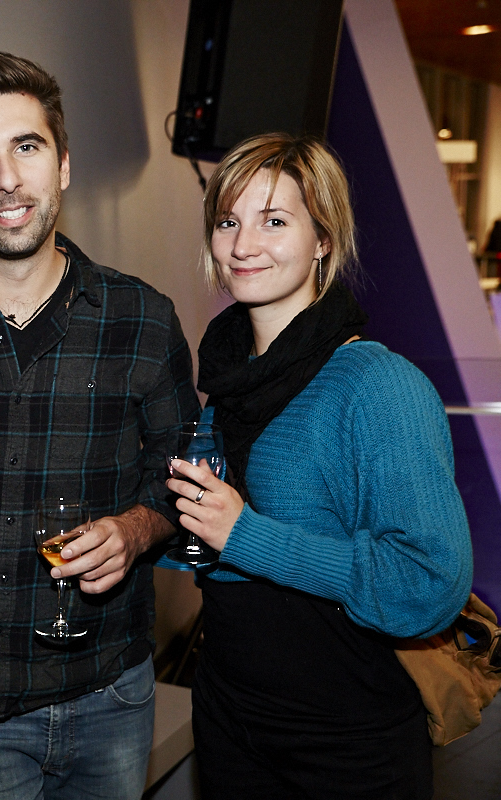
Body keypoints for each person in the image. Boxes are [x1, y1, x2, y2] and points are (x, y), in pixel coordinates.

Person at [0, 51, 199, 799]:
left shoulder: (143, 320)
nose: (6, 179)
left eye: (27, 147)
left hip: (112, 697)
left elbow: (182, 472)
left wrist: (135, 529)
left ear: (61, 164)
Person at [172, 133, 474, 799]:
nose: (244, 244)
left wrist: (246, 535)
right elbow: (211, 543)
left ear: (322, 240)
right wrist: (137, 532)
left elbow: (430, 583)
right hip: (229, 721)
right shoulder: (226, 381)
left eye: (274, 221)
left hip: (347, 742)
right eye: (229, 221)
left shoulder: (377, 385)